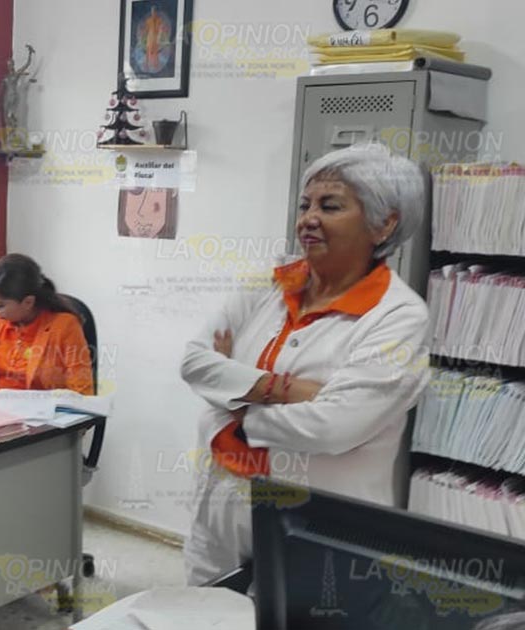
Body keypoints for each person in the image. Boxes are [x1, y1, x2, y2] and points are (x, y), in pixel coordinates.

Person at [180, 144, 431, 585]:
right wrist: (288, 390)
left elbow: (334, 427)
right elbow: (195, 362)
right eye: (305, 205)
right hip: (221, 502)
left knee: (303, 613)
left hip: (315, 523)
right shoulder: (270, 283)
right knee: (205, 609)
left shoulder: (399, 316)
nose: (308, 219)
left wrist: (234, 402)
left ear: (384, 224)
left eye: (329, 206)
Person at [0, 253, 94, 395]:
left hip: (41, 406)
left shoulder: (64, 326)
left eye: (0, 305)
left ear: (28, 302)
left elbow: (82, 390)